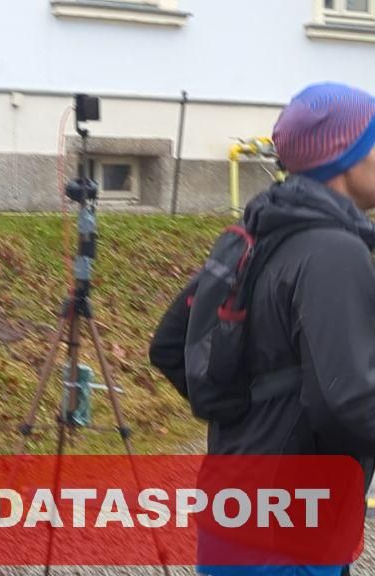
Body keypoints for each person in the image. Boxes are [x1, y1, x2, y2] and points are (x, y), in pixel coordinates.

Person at [151, 82, 375, 576]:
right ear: (344, 155)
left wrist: (244, 414)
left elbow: (170, 345)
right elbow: (347, 401)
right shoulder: (336, 252)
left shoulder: (251, 234)